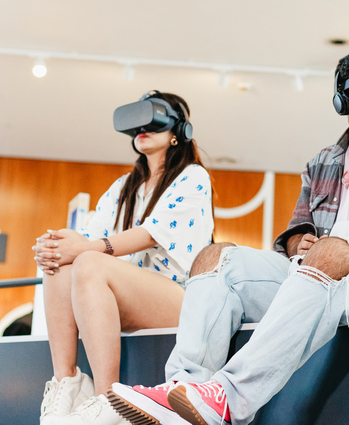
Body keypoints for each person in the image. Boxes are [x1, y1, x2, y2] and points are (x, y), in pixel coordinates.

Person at [107, 49, 349, 425]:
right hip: (321, 276)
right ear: (344, 97)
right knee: (215, 257)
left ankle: (227, 398)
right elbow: (293, 234)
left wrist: (339, 248)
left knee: (333, 252)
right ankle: (184, 392)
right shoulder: (322, 161)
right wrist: (300, 243)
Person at [33, 91, 214, 425]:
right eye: (137, 122)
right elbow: (85, 241)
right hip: (121, 295)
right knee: (59, 260)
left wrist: (86, 248)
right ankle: (67, 382)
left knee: (87, 259)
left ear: (179, 131)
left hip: (180, 298)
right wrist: (55, 245)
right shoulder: (122, 188)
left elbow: (150, 233)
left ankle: (109, 398)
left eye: (154, 119)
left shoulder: (192, 177)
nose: (142, 128)